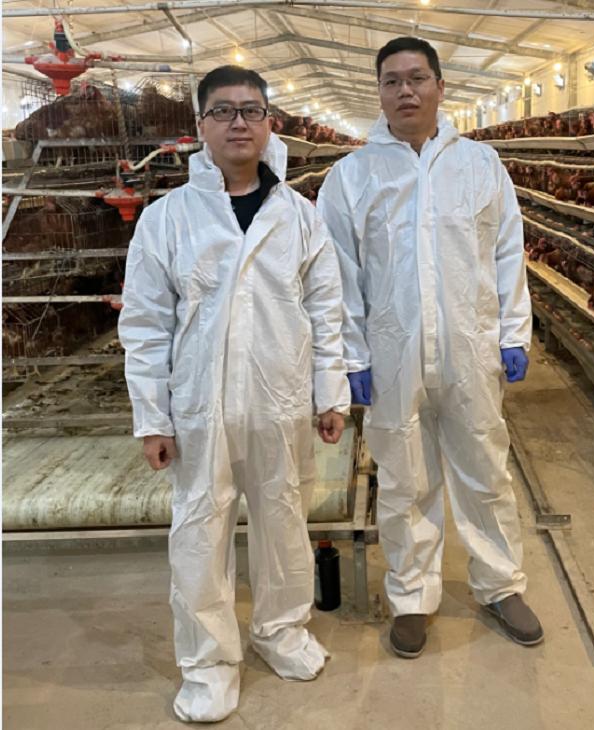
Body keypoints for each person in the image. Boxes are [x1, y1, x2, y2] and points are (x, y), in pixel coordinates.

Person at [118, 65, 350, 722]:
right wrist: (152, 417)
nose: (238, 123)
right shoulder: (167, 219)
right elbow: (145, 323)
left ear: (270, 122)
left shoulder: (300, 217)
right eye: (222, 111)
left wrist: (330, 394)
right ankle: (210, 662)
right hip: (200, 408)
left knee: (284, 520)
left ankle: (281, 630)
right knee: (200, 532)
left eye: (251, 110)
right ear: (200, 126)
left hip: (280, 400)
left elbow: (326, 310)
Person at [317, 37, 543, 659]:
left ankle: (501, 584)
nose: (405, 91)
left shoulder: (481, 165)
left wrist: (513, 333)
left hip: (471, 347)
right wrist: (351, 355)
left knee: (486, 469)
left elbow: (507, 251)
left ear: (441, 87)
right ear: (379, 92)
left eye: (417, 78)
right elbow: (338, 275)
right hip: (393, 354)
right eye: (392, 81)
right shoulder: (351, 176)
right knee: (403, 479)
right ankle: (412, 595)